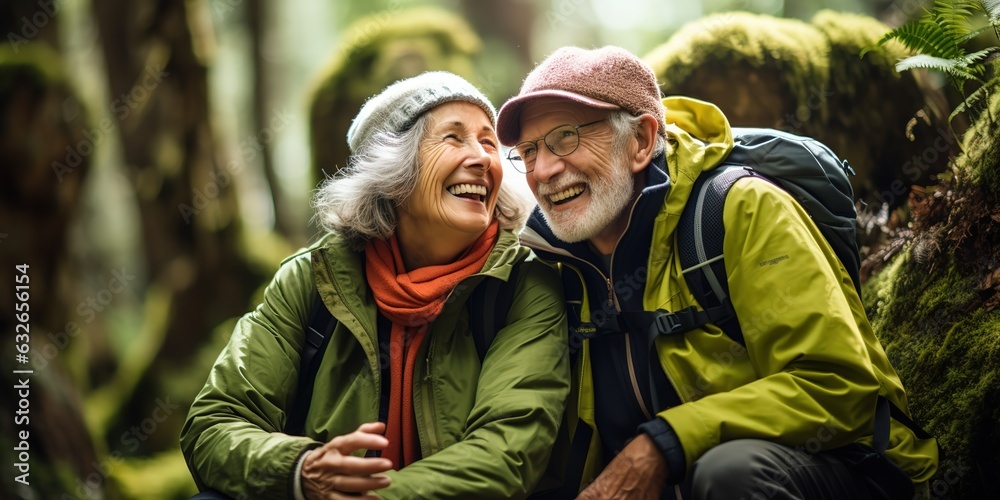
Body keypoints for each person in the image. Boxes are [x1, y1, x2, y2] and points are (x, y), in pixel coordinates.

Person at [496, 46, 939, 499]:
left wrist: (665, 443)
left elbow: (840, 385)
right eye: (528, 151)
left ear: (641, 142)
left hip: (844, 472)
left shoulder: (739, 209)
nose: (544, 169)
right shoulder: (554, 266)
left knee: (731, 474)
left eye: (566, 137)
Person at [180, 71, 571, 500]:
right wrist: (300, 470)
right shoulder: (313, 279)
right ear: (394, 169)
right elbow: (214, 422)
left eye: (489, 142)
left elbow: (505, 455)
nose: (481, 158)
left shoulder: (523, 284)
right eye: (454, 138)